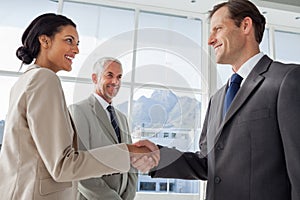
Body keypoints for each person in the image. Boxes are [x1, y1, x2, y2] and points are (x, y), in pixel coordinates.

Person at [133, 0, 300, 200]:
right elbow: (208, 162)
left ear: (245, 25)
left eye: (218, 29)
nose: (210, 40)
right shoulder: (217, 98)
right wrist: (158, 158)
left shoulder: (287, 79)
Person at [0, 13, 158, 200]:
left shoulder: (26, 80)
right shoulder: (45, 79)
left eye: (77, 44)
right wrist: (128, 152)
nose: (75, 50)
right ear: (45, 41)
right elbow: (63, 166)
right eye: (69, 40)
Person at [69, 57, 137, 200]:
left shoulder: (122, 118)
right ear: (95, 78)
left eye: (119, 77)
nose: (115, 82)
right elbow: (78, 166)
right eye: (109, 75)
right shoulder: (79, 111)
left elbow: (131, 163)